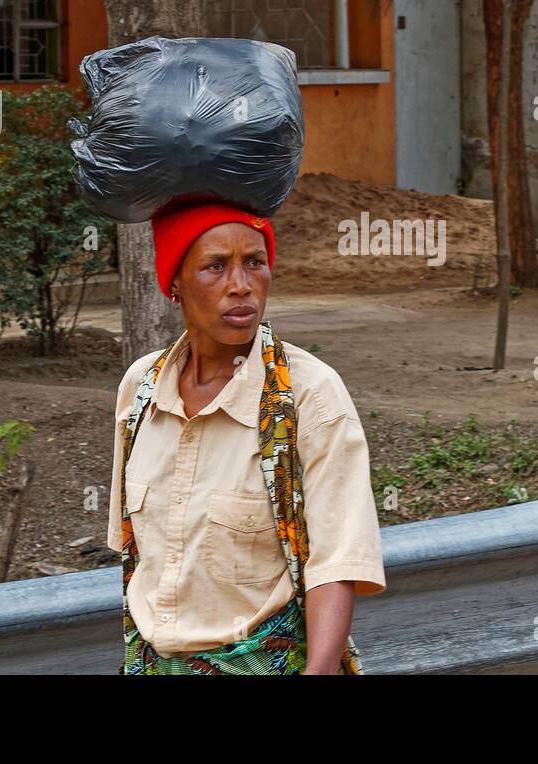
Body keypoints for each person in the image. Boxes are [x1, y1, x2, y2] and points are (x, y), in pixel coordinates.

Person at [106, 202, 386, 674]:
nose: (241, 285)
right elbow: (139, 555)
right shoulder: (141, 390)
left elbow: (335, 565)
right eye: (215, 266)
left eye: (254, 262)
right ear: (174, 282)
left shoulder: (308, 396)